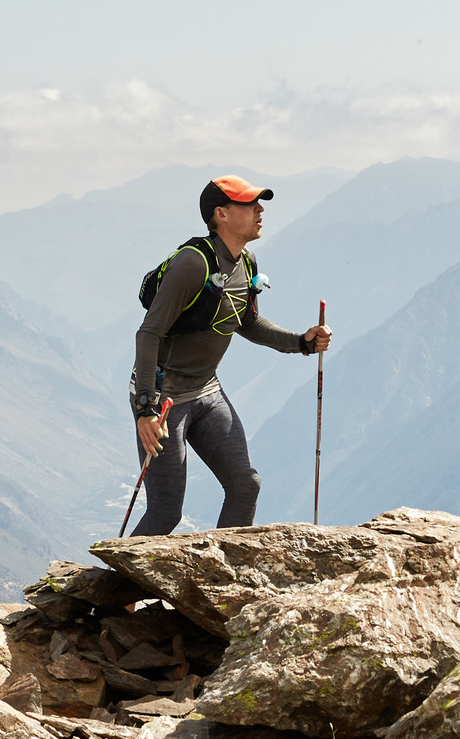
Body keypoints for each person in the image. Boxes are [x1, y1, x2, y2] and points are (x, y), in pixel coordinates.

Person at [126, 174, 331, 534]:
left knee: (245, 485)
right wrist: (146, 410)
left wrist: (302, 342)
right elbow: (148, 334)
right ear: (221, 214)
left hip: (207, 391)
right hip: (164, 399)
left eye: (259, 203)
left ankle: (222, 580)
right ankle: (115, 590)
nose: (260, 209)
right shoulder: (192, 264)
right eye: (249, 204)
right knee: (165, 513)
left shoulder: (245, 262)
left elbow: (247, 322)